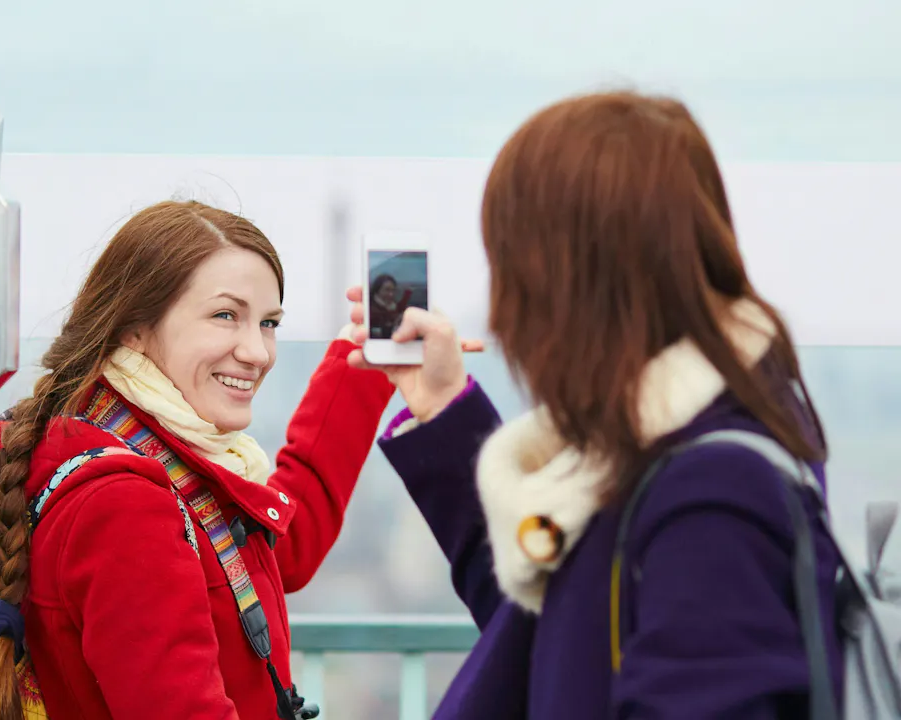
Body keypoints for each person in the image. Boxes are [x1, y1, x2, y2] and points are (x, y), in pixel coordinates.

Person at [347, 92, 843, 718]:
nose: (501, 309)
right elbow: (543, 624)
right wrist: (442, 404)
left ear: (572, 279)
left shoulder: (712, 494)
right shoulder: (657, 451)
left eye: (511, 267)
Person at [0, 200, 394, 720]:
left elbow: (270, 552)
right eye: (226, 316)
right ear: (134, 327)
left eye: (268, 322)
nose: (258, 351)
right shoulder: (127, 504)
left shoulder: (125, 448)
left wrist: (361, 368)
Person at [367, 273, 412, 339]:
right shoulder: (371, 310)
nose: (391, 294)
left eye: (393, 290)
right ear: (377, 290)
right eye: (387, 290)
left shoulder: (394, 307)